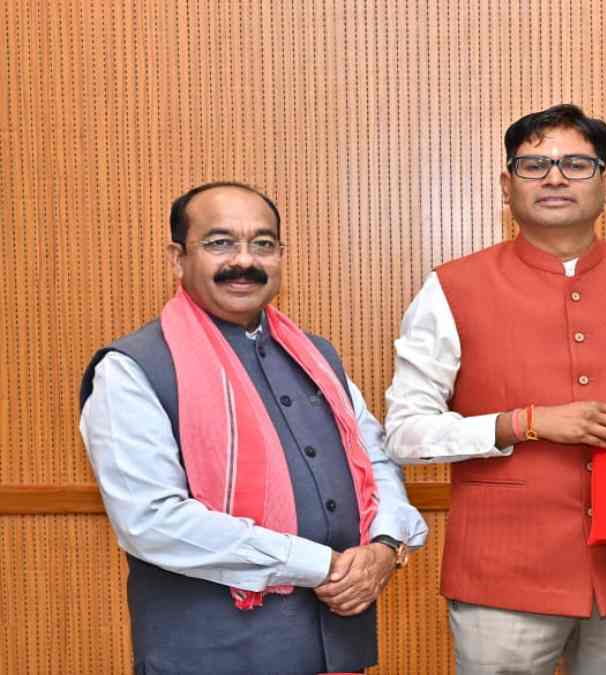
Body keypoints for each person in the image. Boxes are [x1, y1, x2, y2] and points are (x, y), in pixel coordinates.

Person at [384, 104, 606, 675]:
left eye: (576, 165)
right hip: (502, 576)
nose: (555, 178)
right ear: (506, 185)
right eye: (534, 165)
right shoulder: (451, 287)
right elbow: (404, 434)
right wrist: (524, 422)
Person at [79, 182, 428, 674]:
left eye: (262, 244)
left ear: (281, 256)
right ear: (178, 259)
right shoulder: (132, 369)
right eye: (220, 242)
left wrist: (385, 547)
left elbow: (374, 459)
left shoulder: (317, 356)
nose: (244, 260)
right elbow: (150, 521)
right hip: (210, 655)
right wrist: (322, 565)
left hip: (336, 649)